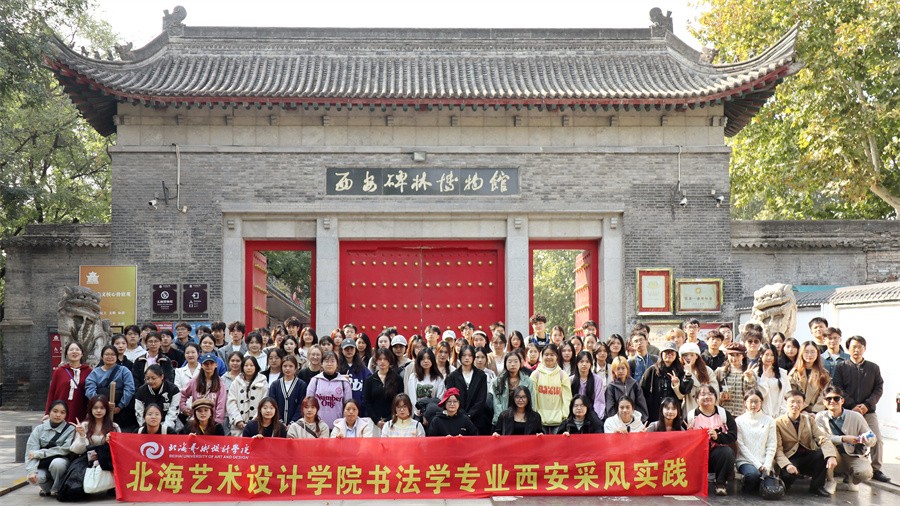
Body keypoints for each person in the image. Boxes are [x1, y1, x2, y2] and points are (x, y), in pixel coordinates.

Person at [831, 335, 890, 483]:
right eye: (853, 347)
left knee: (877, 439)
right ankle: (846, 470)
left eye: (859, 347)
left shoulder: (873, 368)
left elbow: (878, 388)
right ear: (848, 349)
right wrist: (852, 405)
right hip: (848, 411)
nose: (856, 350)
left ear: (864, 348)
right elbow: (837, 387)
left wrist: (867, 405)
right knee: (849, 441)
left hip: (868, 411)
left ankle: (876, 469)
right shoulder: (841, 367)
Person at [774, 389, 837, 496]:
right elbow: (777, 449)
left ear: (803, 404)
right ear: (786, 403)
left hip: (806, 455)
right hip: (790, 458)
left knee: (822, 454)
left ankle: (816, 487)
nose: (795, 405)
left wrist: (831, 455)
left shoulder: (808, 420)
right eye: (792, 402)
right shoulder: (777, 423)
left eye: (799, 402)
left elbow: (822, 438)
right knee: (788, 477)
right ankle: (785, 482)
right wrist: (787, 465)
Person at [815, 385, 876, 491]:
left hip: (852, 455)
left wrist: (866, 439)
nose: (832, 401)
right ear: (824, 402)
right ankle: (830, 480)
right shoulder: (820, 417)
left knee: (865, 473)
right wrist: (844, 439)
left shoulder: (856, 416)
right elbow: (821, 437)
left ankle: (850, 478)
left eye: (836, 398)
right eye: (828, 399)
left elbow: (872, 438)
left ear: (842, 400)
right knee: (826, 444)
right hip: (832, 454)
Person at [686, 385, 737, 496]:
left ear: (715, 397)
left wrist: (718, 437)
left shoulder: (724, 414)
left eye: (710, 394)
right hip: (697, 455)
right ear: (697, 399)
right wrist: (689, 434)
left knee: (727, 452)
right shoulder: (691, 416)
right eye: (703, 394)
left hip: (716, 455)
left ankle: (720, 484)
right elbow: (682, 441)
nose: (707, 397)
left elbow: (733, 436)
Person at [25, 400, 74, 497]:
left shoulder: (70, 430)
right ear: (49, 412)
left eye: (62, 412)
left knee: (57, 463)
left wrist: (40, 453)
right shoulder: (39, 429)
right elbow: (30, 452)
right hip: (43, 464)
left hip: (60, 464)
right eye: (55, 411)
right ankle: (46, 489)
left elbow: (65, 449)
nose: (58, 415)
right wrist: (31, 472)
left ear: (66, 415)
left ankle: (58, 489)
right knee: (37, 477)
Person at [735, 389, 777, 495]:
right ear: (745, 402)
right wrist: (758, 465)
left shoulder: (769, 421)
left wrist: (767, 465)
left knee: (770, 486)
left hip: (765, 462)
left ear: (761, 402)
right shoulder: (739, 421)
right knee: (753, 475)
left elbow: (771, 445)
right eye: (750, 401)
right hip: (745, 461)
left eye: (756, 401)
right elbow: (741, 446)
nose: (753, 405)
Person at [85, 345, 136, 431]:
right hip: (100, 409)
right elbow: (89, 389)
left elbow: (129, 389)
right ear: (102, 356)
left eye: (113, 354)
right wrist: (100, 404)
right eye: (107, 354)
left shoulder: (124, 371)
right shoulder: (95, 372)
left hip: (120, 410)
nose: (110, 357)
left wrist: (120, 406)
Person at [527, 343, 571, 434]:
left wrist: (564, 416)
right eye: (546, 354)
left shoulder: (563, 375)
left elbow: (567, 398)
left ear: (557, 356)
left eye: (552, 354)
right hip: (540, 421)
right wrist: (535, 415)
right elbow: (532, 397)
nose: (549, 357)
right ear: (542, 356)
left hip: (559, 421)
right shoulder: (535, 375)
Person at [45, 341, 91, 424]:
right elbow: (51, 393)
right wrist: (48, 413)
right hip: (61, 412)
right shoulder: (59, 371)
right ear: (66, 354)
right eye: (71, 350)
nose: (74, 352)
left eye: (77, 349)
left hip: (81, 410)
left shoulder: (89, 371)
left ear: (82, 353)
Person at [179, 353, 227, 425]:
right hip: (196, 420)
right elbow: (183, 394)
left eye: (211, 363)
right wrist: (183, 408)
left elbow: (221, 403)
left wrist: (218, 420)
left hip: (213, 421)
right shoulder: (195, 381)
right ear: (201, 365)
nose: (209, 366)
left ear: (216, 365)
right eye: (206, 364)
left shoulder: (220, 383)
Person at [308, 351, 353, 428]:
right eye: (326, 361)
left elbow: (348, 407)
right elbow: (309, 404)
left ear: (337, 364)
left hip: (338, 426)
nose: (329, 364)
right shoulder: (315, 381)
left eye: (332, 361)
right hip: (317, 426)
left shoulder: (344, 383)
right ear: (321, 364)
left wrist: (344, 426)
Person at [640, 341, 681, 423]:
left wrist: (676, 383)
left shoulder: (680, 371)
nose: (669, 354)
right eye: (666, 352)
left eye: (672, 352)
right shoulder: (652, 370)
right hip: (654, 412)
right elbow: (642, 391)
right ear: (661, 354)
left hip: (673, 412)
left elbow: (684, 392)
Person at [227, 355, 269, 435]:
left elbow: (264, 403)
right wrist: (238, 420)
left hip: (257, 425)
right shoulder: (235, 383)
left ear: (256, 367)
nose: (248, 368)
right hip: (238, 427)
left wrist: (253, 422)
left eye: (251, 365)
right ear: (242, 367)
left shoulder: (263, 383)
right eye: (246, 365)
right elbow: (231, 403)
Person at [363, 349, 403, 432]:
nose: (382, 362)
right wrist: (376, 420)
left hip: (393, 420)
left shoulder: (398, 379)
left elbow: (399, 400)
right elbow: (367, 402)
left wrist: (388, 419)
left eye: (385, 359)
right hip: (374, 422)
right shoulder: (370, 380)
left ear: (390, 360)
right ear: (376, 361)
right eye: (380, 359)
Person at [491, 352, 533, 427]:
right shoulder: (498, 381)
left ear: (520, 363)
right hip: (503, 419)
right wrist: (502, 418)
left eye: (516, 361)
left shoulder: (528, 381)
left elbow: (532, 401)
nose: (513, 364)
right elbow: (497, 403)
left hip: (523, 419)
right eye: (509, 362)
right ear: (505, 364)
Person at [134, 364, 181, 431]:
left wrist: (163, 429)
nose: (150, 381)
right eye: (147, 378)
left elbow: (173, 412)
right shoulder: (140, 391)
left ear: (162, 377)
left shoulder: (173, 390)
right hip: (147, 427)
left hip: (168, 426)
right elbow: (139, 412)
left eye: (153, 378)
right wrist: (147, 427)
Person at [674, 342, 716, 414]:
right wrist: (676, 384)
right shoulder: (679, 371)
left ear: (697, 356)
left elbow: (715, 389)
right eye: (685, 355)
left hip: (707, 406)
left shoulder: (707, 370)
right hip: (689, 407)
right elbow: (680, 395)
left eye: (692, 355)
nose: (688, 358)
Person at [715, 342, 756, 416]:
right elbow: (713, 390)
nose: (734, 358)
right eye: (731, 355)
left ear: (743, 356)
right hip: (723, 413)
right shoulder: (720, 371)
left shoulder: (748, 372)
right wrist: (720, 396)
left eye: (737, 355)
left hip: (742, 414)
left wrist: (749, 379)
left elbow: (753, 393)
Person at [788, 341, 830, 413]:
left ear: (817, 353)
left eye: (813, 352)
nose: (809, 355)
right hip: (798, 410)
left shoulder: (824, 373)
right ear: (801, 353)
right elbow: (792, 393)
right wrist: (802, 409)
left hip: (817, 412)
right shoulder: (794, 373)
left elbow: (824, 394)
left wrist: (815, 412)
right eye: (806, 352)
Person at [604, 356, 648, 421]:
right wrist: (618, 421)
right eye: (618, 369)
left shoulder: (634, 385)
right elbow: (610, 409)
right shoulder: (611, 387)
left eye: (623, 368)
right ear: (613, 371)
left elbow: (641, 404)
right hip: (617, 422)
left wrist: (638, 419)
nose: (621, 371)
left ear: (627, 369)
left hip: (634, 420)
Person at [267, 355, 307, 424]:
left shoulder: (301, 385)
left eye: (291, 366)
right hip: (277, 423)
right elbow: (273, 404)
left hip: (296, 424)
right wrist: (280, 421)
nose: (287, 368)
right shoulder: (275, 385)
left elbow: (301, 405)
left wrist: (293, 422)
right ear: (281, 367)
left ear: (296, 368)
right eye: (285, 366)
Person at [406, 348, 445, 418]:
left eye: (428, 358)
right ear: (419, 361)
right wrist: (418, 410)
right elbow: (412, 398)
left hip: (433, 414)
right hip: (417, 414)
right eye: (423, 359)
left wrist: (428, 412)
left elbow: (439, 398)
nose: (426, 361)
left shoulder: (439, 378)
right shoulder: (413, 377)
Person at [755, 343, 789, 418]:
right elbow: (759, 395)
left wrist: (783, 411)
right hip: (761, 415)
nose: (769, 358)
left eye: (772, 355)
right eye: (766, 354)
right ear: (761, 355)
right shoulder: (755, 373)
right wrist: (764, 378)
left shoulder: (782, 373)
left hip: (781, 414)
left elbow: (787, 393)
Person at [571, 351, 605, 418]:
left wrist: (596, 417)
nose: (584, 364)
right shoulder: (571, 380)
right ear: (577, 363)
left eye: (587, 362)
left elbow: (599, 401)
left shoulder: (597, 380)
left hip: (592, 415)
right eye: (581, 361)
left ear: (591, 364)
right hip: (574, 415)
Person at [339, 338, 371, 408]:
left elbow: (368, 384)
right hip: (341, 406)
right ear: (342, 350)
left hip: (359, 407)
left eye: (351, 348)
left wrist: (363, 401)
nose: (349, 351)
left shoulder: (362, 368)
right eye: (346, 349)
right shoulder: (337, 367)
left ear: (355, 350)